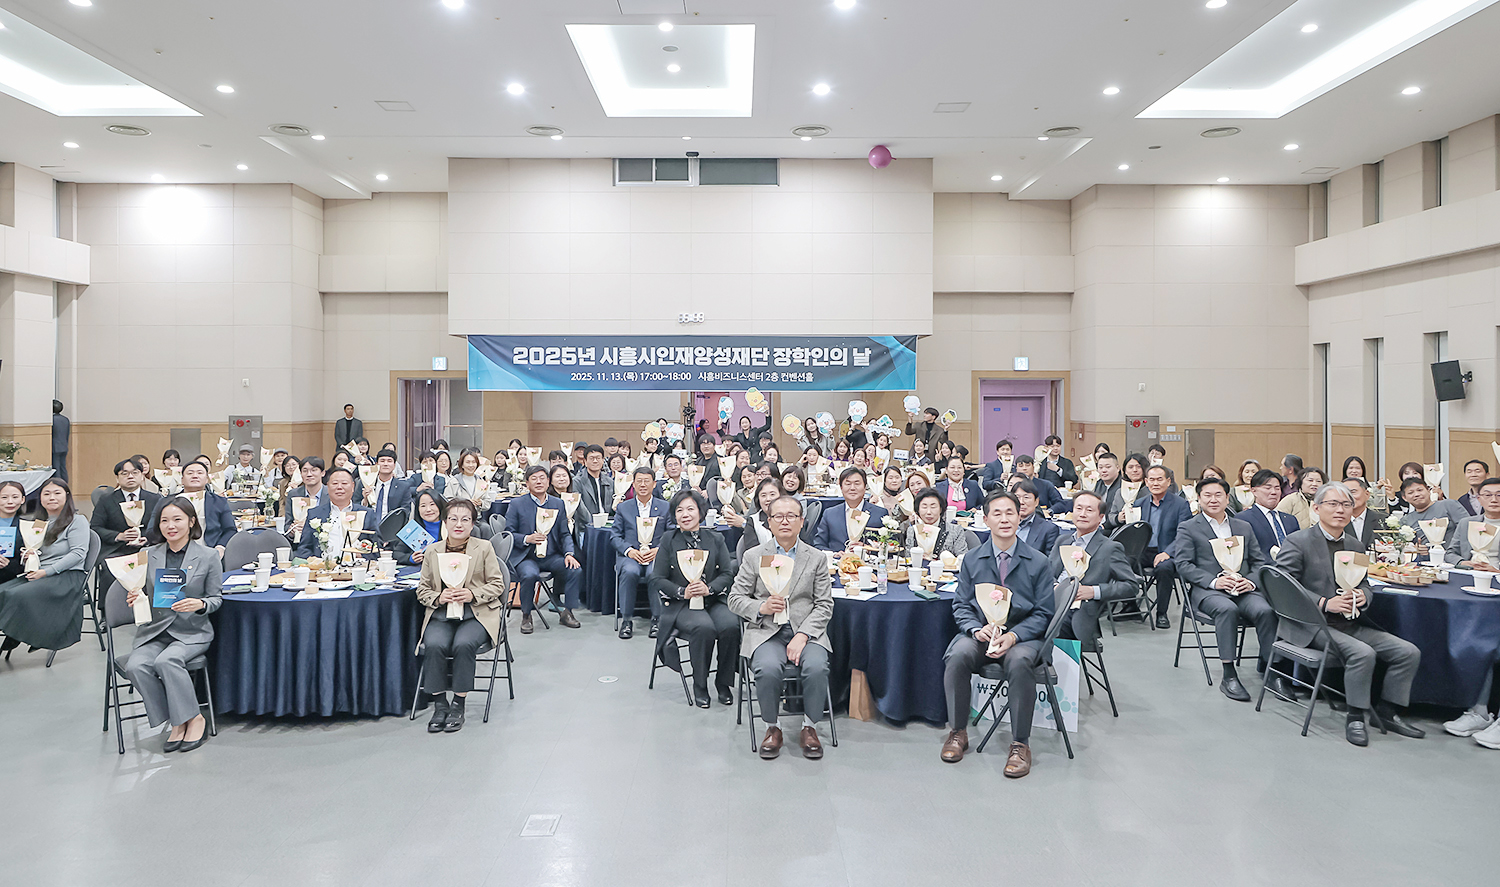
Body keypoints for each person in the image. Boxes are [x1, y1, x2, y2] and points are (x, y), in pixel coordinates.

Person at [1274, 482, 1425, 747]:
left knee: (1407, 652)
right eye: (1332, 504)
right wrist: (1324, 603)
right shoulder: (1298, 541)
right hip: (1311, 624)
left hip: (1348, 622)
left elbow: (1364, 583)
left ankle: (1387, 711)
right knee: (1362, 653)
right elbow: (1282, 587)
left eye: (1346, 505)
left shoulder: (1354, 544)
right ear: (1316, 508)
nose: (1340, 510)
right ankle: (1355, 716)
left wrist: (1364, 595)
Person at [939, 490, 1054, 775]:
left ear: (1019, 517)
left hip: (1022, 636)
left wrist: (1013, 636)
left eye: (1010, 513)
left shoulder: (1038, 561)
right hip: (982, 633)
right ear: (985, 519)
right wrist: (975, 629)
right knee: (957, 654)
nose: (1004, 519)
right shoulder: (972, 559)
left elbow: (1044, 613)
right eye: (997, 514)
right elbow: (961, 605)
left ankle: (1020, 744)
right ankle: (958, 731)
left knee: (1019, 661)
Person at [728, 495, 834, 760]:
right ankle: (772, 727)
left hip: (806, 632)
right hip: (766, 630)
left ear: (801, 522)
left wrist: (803, 634)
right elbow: (734, 599)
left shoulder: (816, 558)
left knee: (817, 667)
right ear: (769, 522)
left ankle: (809, 727)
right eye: (778, 516)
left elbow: (824, 605)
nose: (785, 521)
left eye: (791, 516)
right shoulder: (754, 556)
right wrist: (761, 607)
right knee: (767, 669)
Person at [1172, 476, 1289, 702]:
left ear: (1227, 498)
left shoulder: (1243, 526)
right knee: (1227, 610)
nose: (1213, 500)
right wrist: (1214, 581)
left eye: (1218, 495)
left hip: (1243, 588)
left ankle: (1273, 672)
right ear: (1199, 499)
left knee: (1266, 610)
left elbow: (1258, 562)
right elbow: (1183, 565)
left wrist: (1250, 582)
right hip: (1209, 590)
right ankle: (1229, 674)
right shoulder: (1189, 527)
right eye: (1207, 495)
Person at [121, 497, 221, 752]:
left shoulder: (208, 556)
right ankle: (180, 718)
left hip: (192, 632)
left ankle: (194, 719)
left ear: (191, 522)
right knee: (135, 665)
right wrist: (136, 597)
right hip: (155, 631)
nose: (170, 526)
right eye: (164, 521)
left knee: (167, 661)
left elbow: (216, 599)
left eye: (177, 519)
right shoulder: (147, 555)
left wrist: (199, 603)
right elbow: (141, 591)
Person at [413, 498, 505, 734]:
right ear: (445, 522)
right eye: (453, 519)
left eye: (465, 520)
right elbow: (422, 589)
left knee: (463, 644)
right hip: (441, 613)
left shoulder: (483, 548)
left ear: (473, 524)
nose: (458, 524)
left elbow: (497, 585)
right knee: (434, 644)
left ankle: (458, 704)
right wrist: (438, 597)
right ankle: (440, 704)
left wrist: (472, 594)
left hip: (476, 614)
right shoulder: (432, 550)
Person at [650, 489, 740, 708]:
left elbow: (727, 574)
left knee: (731, 625)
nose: (685, 515)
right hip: (681, 604)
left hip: (712, 599)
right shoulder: (668, 540)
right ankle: (700, 685)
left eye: (690, 509)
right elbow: (657, 579)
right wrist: (683, 592)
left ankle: (723, 683)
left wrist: (709, 589)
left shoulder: (715, 538)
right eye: (679, 510)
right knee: (704, 628)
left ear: (700, 512)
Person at [0, 477, 90, 659]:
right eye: (46, 494)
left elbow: (78, 554)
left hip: (66, 575)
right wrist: (28, 555)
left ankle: (17, 634)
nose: (51, 498)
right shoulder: (39, 522)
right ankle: (14, 633)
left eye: (57, 493)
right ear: (40, 498)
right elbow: (37, 552)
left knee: (17, 595)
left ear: (67, 496)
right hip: (39, 573)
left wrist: (46, 572)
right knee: (2, 591)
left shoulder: (77, 521)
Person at [1441, 477, 1500, 744]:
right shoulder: (1467, 523)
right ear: (1479, 498)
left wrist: (1495, 569)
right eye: (1488, 494)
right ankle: (1478, 710)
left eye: (1499, 494)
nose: (1494, 499)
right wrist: (1466, 564)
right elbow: (1450, 554)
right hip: (1468, 586)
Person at [1049, 491, 1137, 650]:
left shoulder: (1110, 548)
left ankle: (1053, 665)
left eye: (1089, 510)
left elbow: (1131, 586)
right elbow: (1047, 574)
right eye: (1078, 508)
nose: (1082, 514)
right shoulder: (1062, 541)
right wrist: (1055, 587)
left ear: (1100, 517)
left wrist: (1093, 591)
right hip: (1051, 600)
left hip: (1078, 610)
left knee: (1052, 624)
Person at [505, 465, 583, 633]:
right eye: (534, 479)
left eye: (542, 478)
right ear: (527, 483)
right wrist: (527, 539)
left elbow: (564, 534)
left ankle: (567, 612)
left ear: (548, 481)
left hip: (551, 556)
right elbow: (508, 534)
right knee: (529, 575)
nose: (539, 482)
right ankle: (526, 615)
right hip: (527, 556)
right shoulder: (517, 504)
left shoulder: (558, 503)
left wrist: (569, 553)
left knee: (574, 569)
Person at [612, 468, 670, 640]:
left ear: (654, 484)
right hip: (631, 555)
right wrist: (629, 551)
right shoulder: (623, 507)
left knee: (654, 573)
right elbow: (615, 536)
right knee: (630, 572)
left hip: (656, 554)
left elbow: (672, 533)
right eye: (639, 481)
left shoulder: (665, 507)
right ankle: (626, 620)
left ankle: (657, 620)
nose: (643, 485)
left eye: (647, 481)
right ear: (633, 484)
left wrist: (659, 550)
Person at [1135, 464, 1191, 629]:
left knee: (1164, 568)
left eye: (1159, 479)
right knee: (1120, 561)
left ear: (1168, 481)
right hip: (1143, 551)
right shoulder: (1139, 503)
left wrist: (1168, 552)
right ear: (1146, 482)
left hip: (1167, 551)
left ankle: (1161, 613)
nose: (1155, 483)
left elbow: (1184, 535)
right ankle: (1130, 606)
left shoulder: (1180, 504)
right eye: (1151, 480)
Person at [150, 461, 235, 554]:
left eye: (200, 473)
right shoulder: (166, 502)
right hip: (173, 552)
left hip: (210, 551)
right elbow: (152, 530)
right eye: (190, 473)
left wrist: (220, 547)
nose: (195, 476)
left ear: (207, 479)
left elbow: (230, 529)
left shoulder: (219, 502)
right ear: (182, 480)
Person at [294, 467, 377, 559]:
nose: (339, 487)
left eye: (344, 483)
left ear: (353, 486)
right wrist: (315, 562)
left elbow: (377, 546)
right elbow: (304, 548)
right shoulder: (314, 514)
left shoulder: (366, 513)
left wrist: (362, 555)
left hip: (358, 565)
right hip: (324, 566)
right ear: (328, 487)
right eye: (335, 483)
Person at [92, 458, 162, 568]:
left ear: (142, 476)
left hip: (148, 547)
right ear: (117, 478)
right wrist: (119, 536)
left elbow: (161, 526)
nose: (130, 476)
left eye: (135, 473)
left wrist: (148, 538)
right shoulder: (106, 500)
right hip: (116, 549)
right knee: (110, 567)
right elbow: (95, 527)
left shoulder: (155, 499)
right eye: (124, 474)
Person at [812, 467, 888, 551]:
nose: (852, 488)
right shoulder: (829, 514)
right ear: (841, 488)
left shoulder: (880, 514)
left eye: (857, 483)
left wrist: (867, 547)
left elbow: (890, 545)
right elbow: (818, 545)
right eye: (848, 484)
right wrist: (834, 555)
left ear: (865, 487)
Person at [1240, 468, 1300, 557]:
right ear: (1254, 491)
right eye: (1268, 488)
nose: (1273, 492)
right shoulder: (1244, 519)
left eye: (1277, 488)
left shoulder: (1291, 520)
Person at [1399, 477, 1470, 552]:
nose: (1416, 494)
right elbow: (1403, 545)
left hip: (1454, 555)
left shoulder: (1448, 505)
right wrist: (1415, 548)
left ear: (1428, 491)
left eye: (1420, 490)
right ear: (1404, 498)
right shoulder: (1406, 520)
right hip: (1424, 558)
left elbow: (1468, 528)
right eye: (1411, 493)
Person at [904, 488, 970, 559]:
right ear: (918, 510)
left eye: (933, 507)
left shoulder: (955, 530)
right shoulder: (912, 530)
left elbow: (963, 559)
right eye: (924, 507)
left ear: (941, 509)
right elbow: (908, 558)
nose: (928, 512)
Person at [393, 489, 446, 566]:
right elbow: (396, 553)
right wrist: (410, 558)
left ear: (439, 505)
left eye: (432, 504)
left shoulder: (449, 526)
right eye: (423, 506)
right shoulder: (413, 529)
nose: (428, 509)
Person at [362, 448, 412, 526]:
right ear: (376, 464)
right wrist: (365, 500)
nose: (385, 464)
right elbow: (355, 507)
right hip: (368, 527)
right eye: (382, 461)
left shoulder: (403, 487)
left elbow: (405, 512)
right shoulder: (365, 483)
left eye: (389, 461)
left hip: (391, 528)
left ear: (394, 465)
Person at [1012, 480, 1060, 557]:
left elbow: (1050, 561)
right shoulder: (1003, 524)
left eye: (1026, 497)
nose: (1021, 502)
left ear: (1036, 502)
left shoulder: (1048, 529)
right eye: (1017, 497)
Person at [574, 444, 614, 525]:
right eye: (591, 458)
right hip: (587, 526)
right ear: (585, 461)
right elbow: (580, 508)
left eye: (598, 458)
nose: (595, 461)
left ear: (603, 460)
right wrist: (593, 522)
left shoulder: (609, 481)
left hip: (608, 524)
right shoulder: (577, 481)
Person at [0, 481, 28, 587]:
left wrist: (9, 564)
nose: (10, 502)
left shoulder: (29, 525)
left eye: (15, 497)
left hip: (15, 580)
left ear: (22, 499)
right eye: (4, 497)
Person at [1093, 452, 1128, 534]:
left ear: (1118, 468)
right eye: (1100, 467)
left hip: (1113, 528)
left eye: (1108, 467)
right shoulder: (1099, 484)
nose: (1104, 470)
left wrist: (1104, 526)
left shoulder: (1123, 486)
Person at [1345, 477, 1381, 550]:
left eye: (1353, 492)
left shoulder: (1383, 520)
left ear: (1367, 494)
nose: (1349, 497)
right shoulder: (1335, 521)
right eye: (1345, 493)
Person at [51, 399, 70, 482]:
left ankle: (58, 483)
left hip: (55, 447)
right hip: (64, 446)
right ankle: (65, 483)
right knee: (63, 467)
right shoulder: (66, 419)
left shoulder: (52, 420)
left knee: (56, 468)